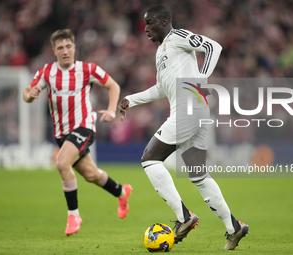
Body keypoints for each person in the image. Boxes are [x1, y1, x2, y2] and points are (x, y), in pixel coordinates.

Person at [119, 5, 248, 250]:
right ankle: (234, 228)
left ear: (165, 21)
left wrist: (200, 80)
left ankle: (184, 217)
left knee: (149, 159)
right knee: (198, 175)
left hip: (189, 108)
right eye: (144, 24)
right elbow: (160, 88)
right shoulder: (161, 52)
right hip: (194, 109)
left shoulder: (177, 36)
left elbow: (213, 47)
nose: (145, 28)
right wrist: (131, 99)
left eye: (150, 23)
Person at [23, 29, 132, 236]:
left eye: (68, 46)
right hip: (61, 133)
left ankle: (74, 214)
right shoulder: (47, 72)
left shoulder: (87, 69)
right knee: (91, 175)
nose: (65, 51)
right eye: (60, 48)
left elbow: (113, 85)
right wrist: (31, 93)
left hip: (84, 126)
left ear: (74, 47)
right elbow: (27, 93)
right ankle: (121, 191)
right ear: (54, 51)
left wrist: (111, 110)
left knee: (62, 163)